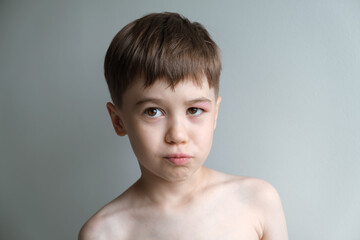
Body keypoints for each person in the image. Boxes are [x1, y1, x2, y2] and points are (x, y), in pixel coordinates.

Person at [79, 12, 288, 240]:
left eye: (194, 110)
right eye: (153, 111)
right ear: (118, 121)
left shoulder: (257, 200)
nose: (177, 135)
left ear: (215, 114)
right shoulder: (104, 233)